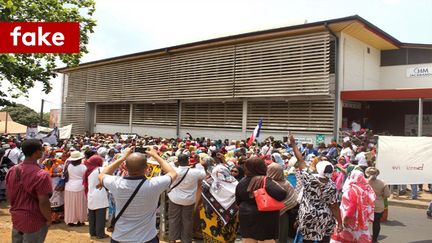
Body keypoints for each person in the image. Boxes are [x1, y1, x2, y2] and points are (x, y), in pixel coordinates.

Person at [99, 146, 177, 243]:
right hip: (147, 238)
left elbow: (102, 174)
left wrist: (123, 157)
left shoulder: (116, 183)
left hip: (120, 237)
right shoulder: (154, 185)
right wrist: (156, 156)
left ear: (125, 167)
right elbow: (173, 173)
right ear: (147, 168)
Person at [289, 133, 343, 243]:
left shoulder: (308, 178)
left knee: (307, 240)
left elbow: (300, 159)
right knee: (324, 239)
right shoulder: (332, 186)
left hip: (307, 214)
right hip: (325, 217)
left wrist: (293, 144)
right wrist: (340, 223)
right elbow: (334, 207)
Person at [6, 139, 52, 243]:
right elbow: (43, 202)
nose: (42, 152)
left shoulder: (12, 170)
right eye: (41, 150)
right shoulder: (42, 175)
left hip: (17, 218)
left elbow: (9, 194)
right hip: (35, 220)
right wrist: (49, 218)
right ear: (36, 152)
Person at [235, 157, 287, 243]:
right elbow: (281, 194)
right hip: (264, 217)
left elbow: (238, 200)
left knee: (249, 239)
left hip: (246, 216)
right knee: (266, 240)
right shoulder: (265, 180)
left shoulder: (242, 182)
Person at [200, 153, 239, 243]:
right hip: (230, 215)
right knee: (227, 234)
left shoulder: (208, 183)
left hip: (212, 214)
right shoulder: (235, 184)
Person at [167, 153, 206, 243]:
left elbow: (169, 164)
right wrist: (198, 163)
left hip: (174, 199)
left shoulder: (174, 171)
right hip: (189, 200)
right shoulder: (195, 172)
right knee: (187, 220)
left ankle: (172, 239)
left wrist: (174, 162)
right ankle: (186, 240)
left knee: (173, 218)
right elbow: (203, 174)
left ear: (178, 161)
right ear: (188, 161)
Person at [332, 170, 376, 243]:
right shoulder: (366, 188)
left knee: (348, 236)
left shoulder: (354, 190)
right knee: (359, 235)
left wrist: (346, 219)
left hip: (351, 219)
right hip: (361, 218)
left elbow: (353, 206)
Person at [267, 162, 298, 243]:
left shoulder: (265, 183)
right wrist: (283, 207)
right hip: (282, 214)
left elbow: (293, 199)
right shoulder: (286, 184)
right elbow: (293, 199)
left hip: (267, 213)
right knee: (280, 234)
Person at [84, 155, 109, 239]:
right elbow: (109, 176)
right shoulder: (99, 169)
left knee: (92, 215)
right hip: (100, 193)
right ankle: (100, 234)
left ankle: (93, 232)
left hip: (90, 193)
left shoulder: (88, 170)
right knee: (100, 215)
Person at [366, 167, 391, 243]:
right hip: (378, 205)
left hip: (366, 205)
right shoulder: (383, 183)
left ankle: (363, 237)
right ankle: (374, 239)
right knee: (376, 223)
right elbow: (387, 195)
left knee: (364, 222)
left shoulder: (364, 181)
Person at [64, 151, 88, 226]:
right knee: (80, 204)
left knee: (70, 205)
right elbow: (85, 177)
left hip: (69, 186)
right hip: (80, 186)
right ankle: (80, 221)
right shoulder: (83, 167)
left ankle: (70, 220)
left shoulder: (68, 166)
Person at [43, 157, 65, 224]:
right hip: (53, 185)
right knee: (55, 201)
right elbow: (49, 174)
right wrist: (58, 174)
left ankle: (54, 218)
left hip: (56, 185)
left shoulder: (59, 164)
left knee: (56, 201)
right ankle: (53, 218)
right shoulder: (46, 167)